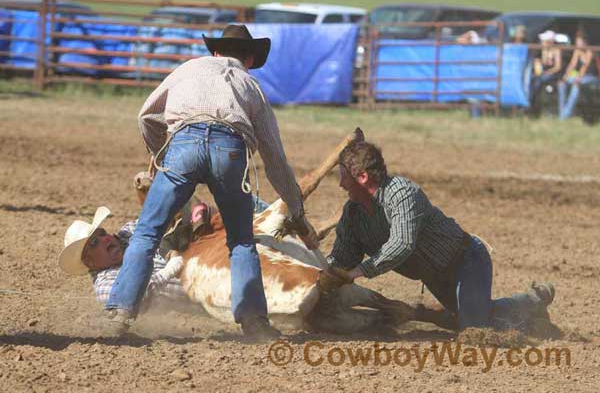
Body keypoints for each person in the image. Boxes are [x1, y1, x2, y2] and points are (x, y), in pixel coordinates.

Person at [103, 24, 319, 339]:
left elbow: (146, 117)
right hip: (229, 151)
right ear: (248, 58)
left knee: (148, 233)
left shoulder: (187, 69)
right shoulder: (250, 84)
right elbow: (274, 157)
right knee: (242, 241)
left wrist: (161, 155)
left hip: (183, 146)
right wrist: (296, 210)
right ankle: (254, 322)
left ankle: (120, 312)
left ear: (215, 51)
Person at [319, 141, 556, 333]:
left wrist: (357, 272)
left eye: (343, 176)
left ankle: (532, 302)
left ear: (362, 177)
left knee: (474, 329)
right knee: (466, 319)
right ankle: (533, 308)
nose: (340, 183)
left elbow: (402, 244)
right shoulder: (352, 214)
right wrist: (320, 273)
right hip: (434, 276)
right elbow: (342, 257)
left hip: (466, 261)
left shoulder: (401, 192)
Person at [58, 206, 191, 310]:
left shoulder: (129, 231)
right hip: (201, 292)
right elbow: (128, 298)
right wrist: (168, 271)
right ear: (89, 262)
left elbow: (158, 220)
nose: (105, 239)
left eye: (102, 233)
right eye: (94, 243)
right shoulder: (105, 286)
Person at [558, 28, 596, 120]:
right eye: (576, 42)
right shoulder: (577, 51)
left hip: (591, 77)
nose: (577, 44)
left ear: (585, 42)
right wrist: (564, 77)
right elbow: (572, 65)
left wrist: (578, 78)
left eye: (579, 42)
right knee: (561, 85)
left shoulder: (590, 51)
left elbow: (585, 66)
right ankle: (562, 113)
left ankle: (566, 115)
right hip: (580, 77)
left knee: (576, 86)